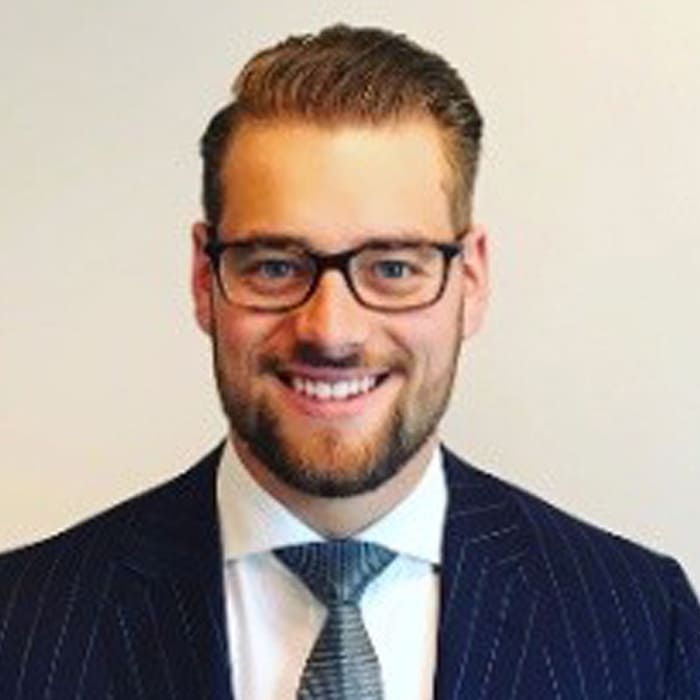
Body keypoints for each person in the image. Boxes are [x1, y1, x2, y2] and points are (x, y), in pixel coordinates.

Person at [0, 23, 698, 700]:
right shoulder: (20, 628)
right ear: (202, 278)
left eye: (393, 266)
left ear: (472, 280)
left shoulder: (640, 620)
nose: (331, 331)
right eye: (274, 266)